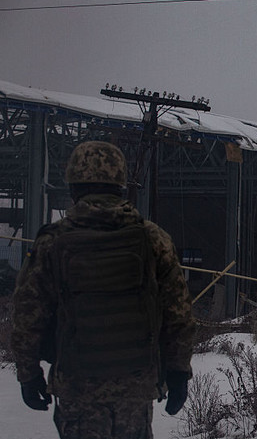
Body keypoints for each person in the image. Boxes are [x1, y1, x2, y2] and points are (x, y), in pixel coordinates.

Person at [11, 140, 195, 439]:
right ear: (121, 185)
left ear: (73, 186)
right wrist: (177, 372)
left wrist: (28, 374)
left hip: (77, 385)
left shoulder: (52, 242)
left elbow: (27, 314)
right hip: (136, 383)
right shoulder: (153, 239)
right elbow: (180, 314)